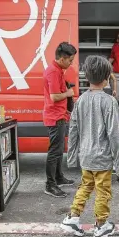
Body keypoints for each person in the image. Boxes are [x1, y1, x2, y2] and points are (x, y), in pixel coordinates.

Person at [60, 55, 119, 237]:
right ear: (106, 78)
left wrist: (72, 157)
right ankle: (101, 225)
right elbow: (115, 135)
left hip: (86, 156)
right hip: (102, 158)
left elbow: (73, 131)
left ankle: (73, 217)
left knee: (85, 186)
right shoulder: (109, 101)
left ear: (86, 77)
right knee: (103, 191)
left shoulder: (80, 101)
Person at [43, 42, 77, 198]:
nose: (71, 63)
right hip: (55, 116)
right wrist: (69, 93)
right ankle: (50, 185)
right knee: (54, 152)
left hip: (60, 115)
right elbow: (54, 96)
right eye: (70, 60)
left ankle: (58, 177)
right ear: (63, 58)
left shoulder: (58, 70)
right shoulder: (53, 73)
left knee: (59, 150)